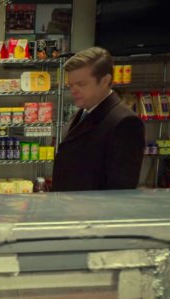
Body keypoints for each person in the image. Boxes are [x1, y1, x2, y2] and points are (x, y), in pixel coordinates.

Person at [52, 47, 145, 191]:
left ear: (105, 81)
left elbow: (120, 190)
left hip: (90, 212)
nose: (73, 90)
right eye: (71, 85)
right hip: (69, 208)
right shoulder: (84, 111)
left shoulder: (125, 122)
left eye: (81, 84)